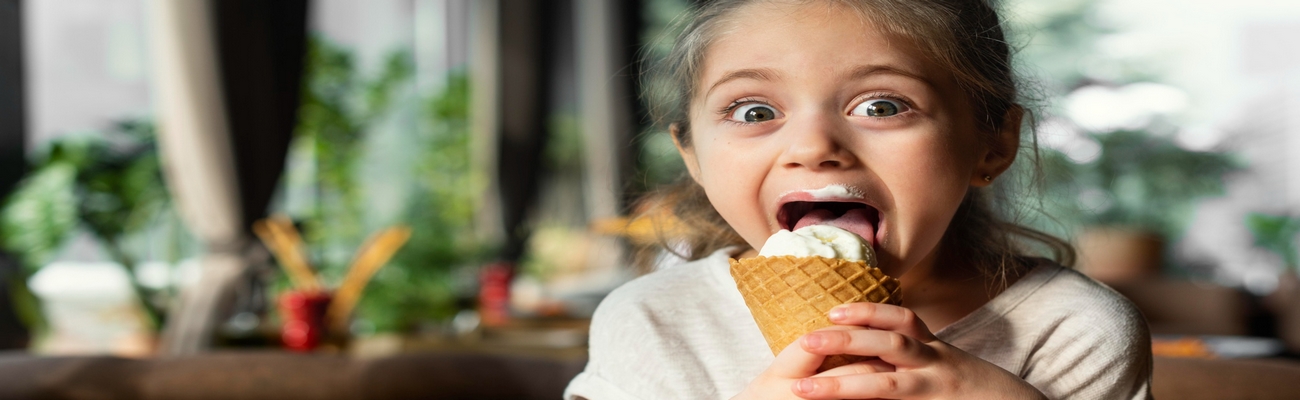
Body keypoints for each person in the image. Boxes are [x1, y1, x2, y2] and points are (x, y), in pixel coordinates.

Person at [565, 0, 1152, 399]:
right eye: (754, 111)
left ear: (991, 145)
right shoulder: (652, 322)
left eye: (882, 106)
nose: (814, 147)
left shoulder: (1073, 330)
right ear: (693, 156)